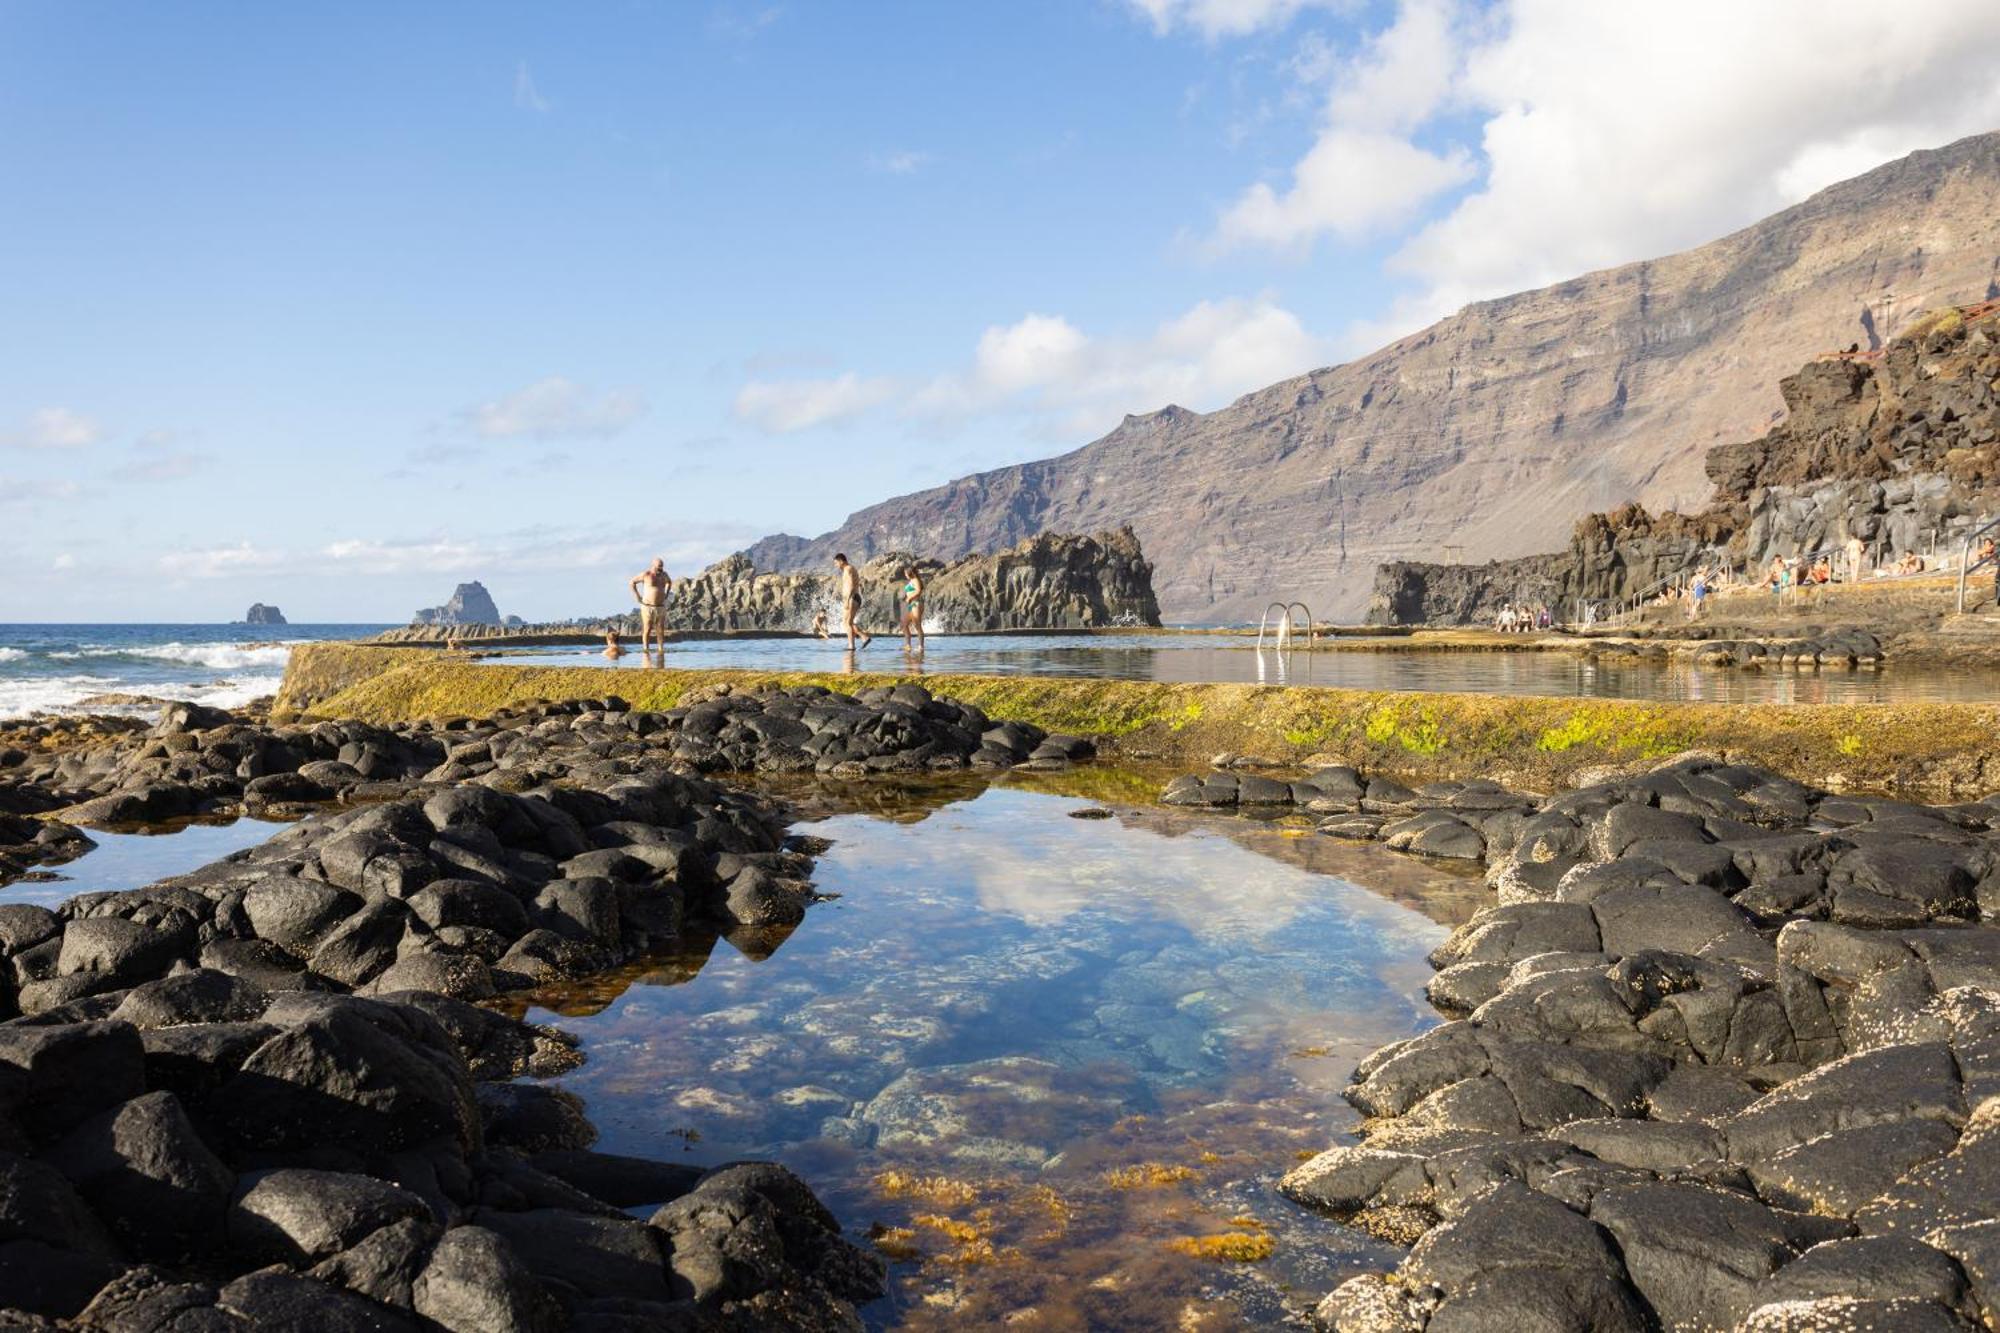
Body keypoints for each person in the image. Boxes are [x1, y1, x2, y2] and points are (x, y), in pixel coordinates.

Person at [628, 558, 672, 656]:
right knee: (647, 628)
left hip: (660, 606)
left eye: (662, 566)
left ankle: (661, 649)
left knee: (660, 629)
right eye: (659, 566)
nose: (661, 568)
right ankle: (645, 649)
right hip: (647, 606)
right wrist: (637, 596)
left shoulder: (664, 575)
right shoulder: (646, 574)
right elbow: (632, 582)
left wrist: (667, 593)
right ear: (653, 566)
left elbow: (669, 582)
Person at [833, 553, 872, 649]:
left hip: (852, 598)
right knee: (846, 622)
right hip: (853, 597)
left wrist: (847, 599)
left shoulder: (848, 569)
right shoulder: (848, 569)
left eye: (836, 563)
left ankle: (852, 645)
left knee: (847, 623)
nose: (836, 565)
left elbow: (850, 585)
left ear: (841, 561)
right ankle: (863, 637)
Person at [899, 564, 926, 652]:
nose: (905, 575)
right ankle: (908, 645)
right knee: (904, 624)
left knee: (917, 625)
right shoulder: (911, 581)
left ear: (910, 573)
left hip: (916, 604)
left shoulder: (915, 580)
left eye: (906, 573)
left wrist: (910, 598)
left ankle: (921, 646)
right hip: (911, 605)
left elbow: (918, 591)